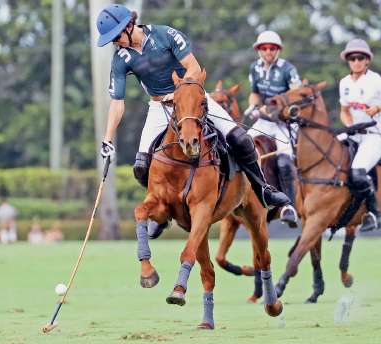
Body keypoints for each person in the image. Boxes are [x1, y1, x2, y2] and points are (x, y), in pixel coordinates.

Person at [96, 4, 289, 238]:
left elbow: (194, 68)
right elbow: (118, 101)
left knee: (241, 139)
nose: (115, 42)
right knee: (141, 167)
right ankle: (162, 209)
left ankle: (263, 190)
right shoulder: (121, 59)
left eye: (116, 37)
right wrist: (107, 139)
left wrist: (178, 93)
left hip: (193, 99)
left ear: (129, 25)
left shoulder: (165, 35)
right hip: (159, 108)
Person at [338, 39, 381, 231]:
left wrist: (379, 107)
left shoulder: (377, 82)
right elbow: (344, 111)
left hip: (374, 135)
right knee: (326, 155)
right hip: (354, 134)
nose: (356, 61)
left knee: (357, 171)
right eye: (352, 58)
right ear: (348, 61)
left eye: (360, 57)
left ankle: (375, 214)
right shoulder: (344, 83)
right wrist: (348, 125)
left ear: (367, 60)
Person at [243, 31, 301, 228]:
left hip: (283, 124)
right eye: (264, 48)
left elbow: (297, 98)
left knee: (284, 161)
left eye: (272, 48)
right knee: (240, 148)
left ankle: (289, 206)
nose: (268, 51)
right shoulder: (255, 68)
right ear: (259, 50)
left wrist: (275, 109)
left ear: (278, 50)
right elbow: (254, 94)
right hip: (264, 122)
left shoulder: (289, 70)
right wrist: (253, 106)